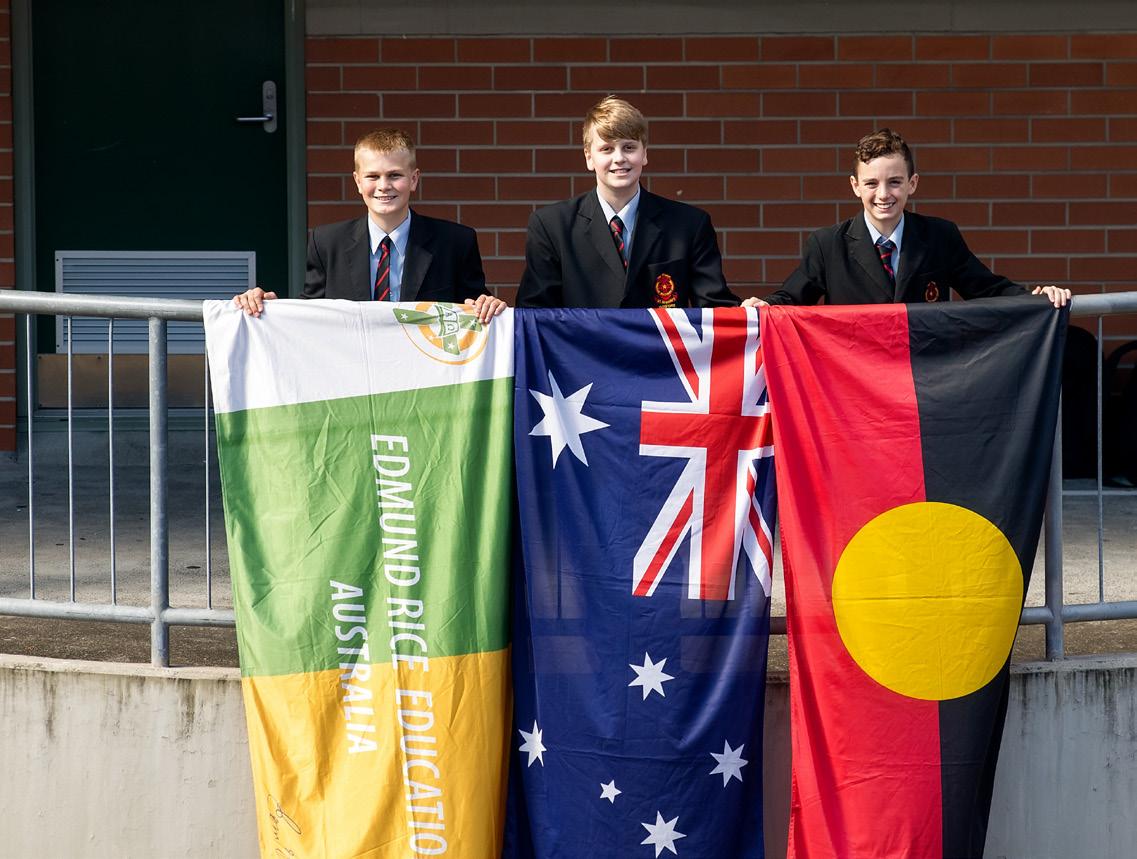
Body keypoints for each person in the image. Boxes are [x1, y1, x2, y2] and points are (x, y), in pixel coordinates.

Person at [759, 128, 1070, 308]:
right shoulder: (827, 244)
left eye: (895, 182)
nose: (883, 194)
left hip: (922, 380)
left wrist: (1036, 298)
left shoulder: (939, 236)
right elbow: (791, 298)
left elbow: (987, 288)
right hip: (855, 383)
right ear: (855, 186)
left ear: (912, 183)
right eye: (871, 183)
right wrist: (763, 307)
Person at [234, 129, 506, 323]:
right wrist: (270, 308)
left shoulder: (455, 242)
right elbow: (311, 313)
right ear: (357, 181)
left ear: (414, 179)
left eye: (395, 175)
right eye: (372, 176)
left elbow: (475, 307)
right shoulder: (327, 242)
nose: (383, 186)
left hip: (427, 376)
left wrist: (487, 304)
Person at [517, 96, 749, 309]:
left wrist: (749, 314)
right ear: (589, 157)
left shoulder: (689, 225)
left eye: (629, 147)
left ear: (644, 154)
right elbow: (532, 313)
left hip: (657, 344)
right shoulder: (552, 226)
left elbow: (715, 309)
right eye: (607, 149)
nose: (619, 158)